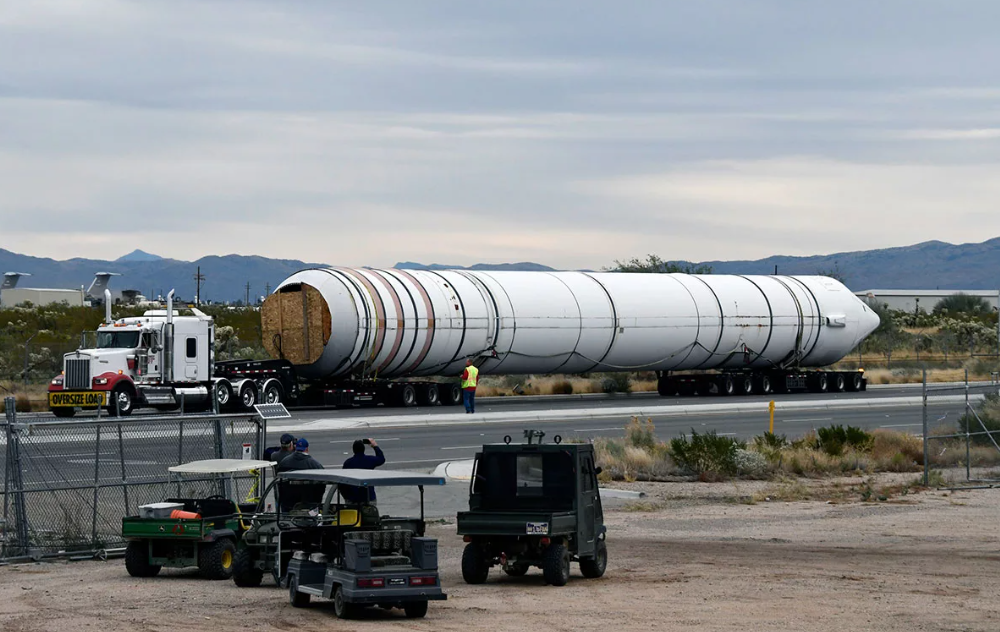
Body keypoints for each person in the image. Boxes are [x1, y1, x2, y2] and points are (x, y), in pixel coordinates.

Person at [276, 438, 324, 511]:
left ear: (295, 448)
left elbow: (279, 480)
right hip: (309, 504)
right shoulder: (314, 465)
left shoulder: (284, 462)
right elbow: (322, 484)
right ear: (307, 449)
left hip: (288, 502)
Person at [340, 438, 385, 505]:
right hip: (368, 496)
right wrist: (375, 446)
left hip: (353, 497)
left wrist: (346, 497)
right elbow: (381, 459)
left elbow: (342, 482)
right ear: (363, 449)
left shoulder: (348, 463)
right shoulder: (369, 460)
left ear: (353, 450)